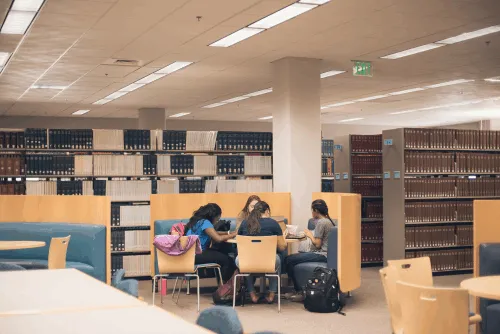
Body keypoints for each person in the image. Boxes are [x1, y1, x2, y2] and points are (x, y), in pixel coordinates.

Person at [285, 199, 336, 301]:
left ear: (316, 210)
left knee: (289, 259)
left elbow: (317, 244)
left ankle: (299, 291)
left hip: (322, 254)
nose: (312, 213)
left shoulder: (321, 222)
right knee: (292, 260)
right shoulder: (329, 221)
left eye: (312, 210)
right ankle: (298, 289)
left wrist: (309, 235)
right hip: (326, 254)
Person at [236, 201, 286, 304]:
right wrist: (283, 238)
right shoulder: (273, 223)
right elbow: (282, 247)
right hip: (268, 261)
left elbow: (238, 243)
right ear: (267, 211)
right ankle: (271, 295)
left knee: (244, 259)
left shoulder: (245, 223)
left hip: (246, 261)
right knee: (277, 258)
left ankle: (252, 295)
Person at [185, 203, 237, 282]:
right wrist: (234, 234)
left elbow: (213, 232)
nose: (217, 221)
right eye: (217, 219)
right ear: (213, 215)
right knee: (227, 260)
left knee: (220, 255)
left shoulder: (197, 221)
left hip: (190, 254)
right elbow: (218, 238)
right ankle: (223, 287)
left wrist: (228, 233)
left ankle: (222, 285)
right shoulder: (205, 222)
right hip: (198, 254)